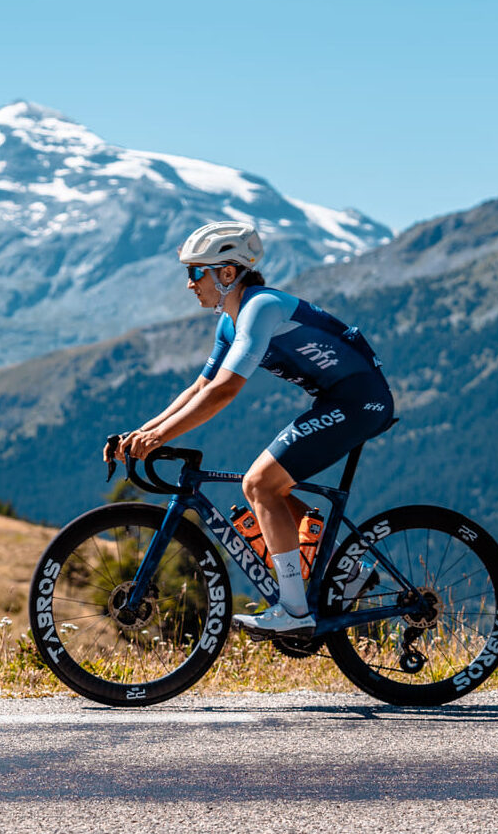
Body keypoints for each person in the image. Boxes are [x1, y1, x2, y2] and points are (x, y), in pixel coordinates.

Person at [111, 221, 394, 636]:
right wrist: (139, 432)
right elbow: (201, 386)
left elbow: (225, 390)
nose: (189, 284)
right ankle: (346, 569)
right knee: (267, 486)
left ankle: (294, 611)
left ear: (227, 273)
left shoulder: (261, 307)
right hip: (338, 400)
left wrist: (160, 439)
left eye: (196, 272)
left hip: (360, 402)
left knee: (259, 484)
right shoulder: (229, 322)